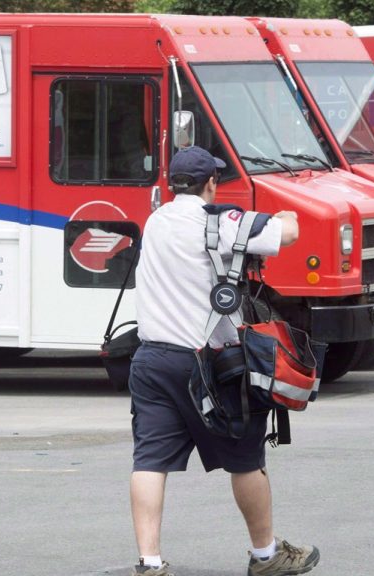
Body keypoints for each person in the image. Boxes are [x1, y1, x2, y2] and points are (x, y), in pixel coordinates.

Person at [127, 146, 314, 576]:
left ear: (172, 183)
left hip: (152, 359)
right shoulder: (223, 222)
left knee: (150, 460)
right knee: (246, 458)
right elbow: (287, 234)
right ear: (211, 183)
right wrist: (286, 214)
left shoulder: (155, 221)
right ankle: (266, 557)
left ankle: (150, 563)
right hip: (212, 366)